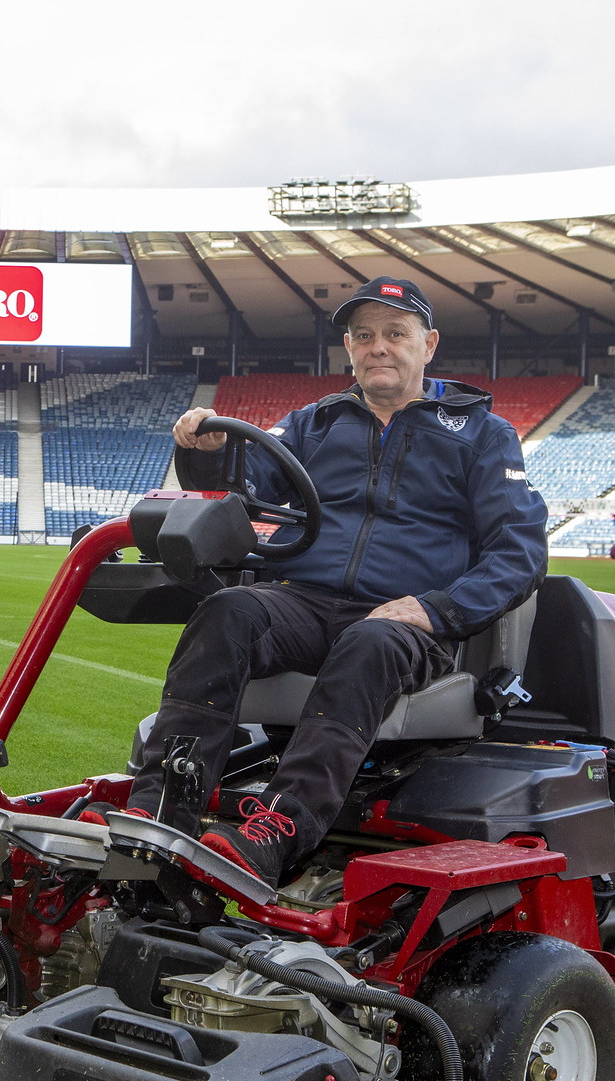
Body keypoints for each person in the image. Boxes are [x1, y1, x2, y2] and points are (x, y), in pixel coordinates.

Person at [115, 277, 548, 888]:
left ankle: (283, 826)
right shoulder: (314, 424)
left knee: (370, 641)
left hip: (406, 622)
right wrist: (209, 450)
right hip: (309, 604)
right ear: (348, 346)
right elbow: (244, 488)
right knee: (230, 611)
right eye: (365, 335)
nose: (379, 347)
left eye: (397, 334)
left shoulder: (482, 434)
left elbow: (520, 550)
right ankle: (161, 808)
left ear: (429, 345)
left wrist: (436, 609)